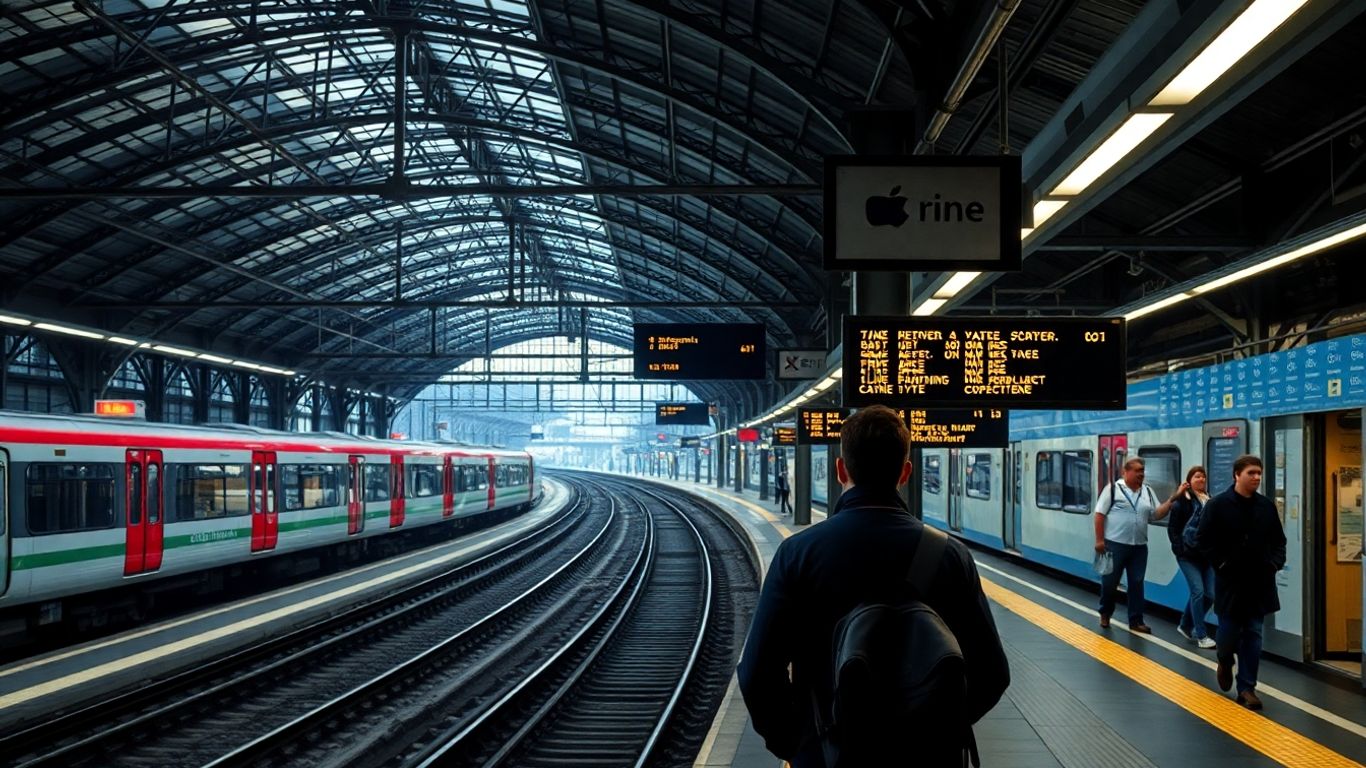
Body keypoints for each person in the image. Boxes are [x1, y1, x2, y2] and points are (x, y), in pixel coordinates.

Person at [737, 405, 1009, 767]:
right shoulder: (949, 555)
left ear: (840, 470)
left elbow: (757, 673)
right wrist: (936, 730)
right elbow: (992, 673)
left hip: (828, 753)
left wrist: (799, 744)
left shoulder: (798, 554)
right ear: (906, 472)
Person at [1195, 454, 1286, 710]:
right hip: (1230, 582)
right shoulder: (1218, 505)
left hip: (1260, 582)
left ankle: (1247, 687)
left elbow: (1279, 541)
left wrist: (1274, 564)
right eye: (1251, 473)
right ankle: (1224, 660)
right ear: (1237, 475)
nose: (1256, 477)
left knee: (1254, 634)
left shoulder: (1266, 507)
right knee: (1228, 633)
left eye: (1259, 473)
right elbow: (1203, 540)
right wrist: (1221, 564)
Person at [1093, 457, 1170, 632]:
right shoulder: (1113, 490)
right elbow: (1099, 515)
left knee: (1137, 583)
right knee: (1110, 583)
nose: (1141, 474)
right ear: (1125, 472)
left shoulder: (1147, 491)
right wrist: (1099, 540)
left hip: (1139, 547)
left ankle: (1136, 621)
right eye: (1137, 471)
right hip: (1115, 545)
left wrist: (1171, 501)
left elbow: (1155, 514)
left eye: (1142, 471)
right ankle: (1105, 613)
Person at [1166, 466, 1216, 649]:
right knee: (1198, 592)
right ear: (1189, 480)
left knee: (1210, 595)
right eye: (1197, 477)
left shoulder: (1210, 501)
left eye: (1203, 476)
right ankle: (1201, 635)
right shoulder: (1182, 503)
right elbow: (1173, 528)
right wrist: (1179, 550)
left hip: (1206, 556)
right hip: (1188, 556)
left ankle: (1185, 624)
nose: (1201, 480)